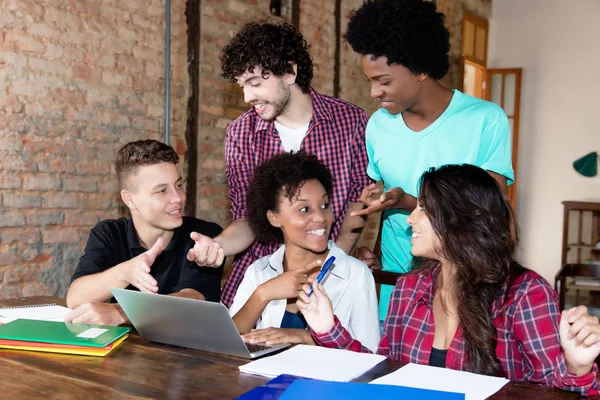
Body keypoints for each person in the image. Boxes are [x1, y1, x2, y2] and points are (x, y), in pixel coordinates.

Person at [298, 164, 600, 395]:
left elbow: (554, 389)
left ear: (461, 220)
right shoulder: (409, 287)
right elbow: (385, 374)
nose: (410, 218)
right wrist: (328, 327)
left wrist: (578, 365)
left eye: (424, 210)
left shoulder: (524, 293)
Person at [344, 0, 515, 322]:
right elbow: (387, 209)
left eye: (384, 81)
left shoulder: (483, 120)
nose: (373, 92)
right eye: (370, 80)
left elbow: (487, 216)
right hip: (395, 282)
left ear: (421, 69)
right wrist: (378, 254)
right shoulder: (378, 126)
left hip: (460, 282)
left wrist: (411, 201)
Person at [187, 21, 371, 307]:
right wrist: (218, 246)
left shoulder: (351, 123)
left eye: (256, 83)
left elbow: (357, 208)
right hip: (259, 281)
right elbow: (247, 219)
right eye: (242, 86)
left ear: (289, 71)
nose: (248, 98)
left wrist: (329, 271)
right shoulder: (240, 134)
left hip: (331, 277)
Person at [228, 152, 380, 352]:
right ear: (274, 218)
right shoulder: (259, 272)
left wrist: (302, 336)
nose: (320, 217)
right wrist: (264, 293)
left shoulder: (355, 274)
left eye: (325, 205)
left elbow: (371, 357)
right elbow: (226, 343)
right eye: (304, 209)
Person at [65, 140, 224, 325]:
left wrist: (123, 313)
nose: (178, 197)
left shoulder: (203, 235)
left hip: (192, 350)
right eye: (162, 190)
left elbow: (193, 300)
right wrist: (126, 272)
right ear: (130, 199)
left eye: (179, 185)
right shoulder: (109, 233)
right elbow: (75, 297)